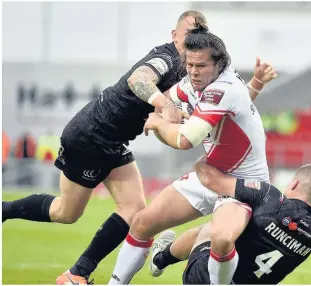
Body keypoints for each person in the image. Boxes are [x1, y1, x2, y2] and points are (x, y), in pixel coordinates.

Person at [2, 10, 207, 285]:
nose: (194, 40)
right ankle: (6, 212)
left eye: (199, 35)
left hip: (112, 142)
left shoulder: (188, 69)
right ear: (174, 36)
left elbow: (159, 120)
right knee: (67, 213)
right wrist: (165, 106)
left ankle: (76, 274)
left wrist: (163, 123)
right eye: (189, 34)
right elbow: (138, 80)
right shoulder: (166, 58)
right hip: (91, 137)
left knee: (133, 208)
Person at [108, 24, 277, 285]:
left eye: (201, 66)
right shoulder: (193, 81)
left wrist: (158, 123)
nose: (194, 72)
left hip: (242, 184)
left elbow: (185, 140)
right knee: (142, 222)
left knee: (219, 239)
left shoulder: (223, 88)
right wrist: (163, 108)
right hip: (210, 172)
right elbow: (166, 97)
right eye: (190, 65)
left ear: (219, 64)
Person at [150, 162, 311, 285]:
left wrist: (204, 160)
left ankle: (160, 260)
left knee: (215, 227)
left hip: (206, 278)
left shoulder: (269, 197)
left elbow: (210, 179)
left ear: (294, 183)